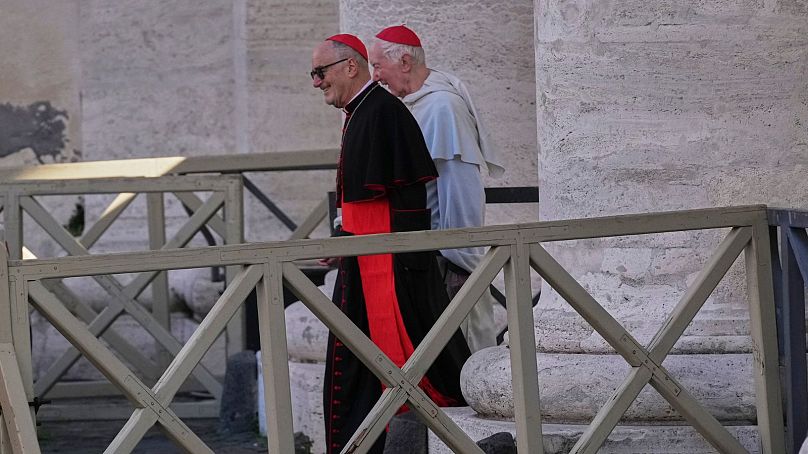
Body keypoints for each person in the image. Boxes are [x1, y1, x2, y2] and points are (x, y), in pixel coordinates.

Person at [311, 34, 471, 454]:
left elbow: (403, 204)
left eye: (320, 72)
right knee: (362, 368)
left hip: (385, 266)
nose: (315, 83)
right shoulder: (363, 112)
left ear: (350, 67)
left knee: (412, 361)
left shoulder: (382, 112)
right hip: (365, 258)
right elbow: (365, 197)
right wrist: (344, 238)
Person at [370, 25, 505, 353]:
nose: (375, 77)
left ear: (404, 62)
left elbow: (461, 190)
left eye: (377, 66)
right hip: (422, 256)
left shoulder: (443, 108)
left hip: (446, 262)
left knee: (463, 354)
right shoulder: (413, 102)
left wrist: (459, 256)